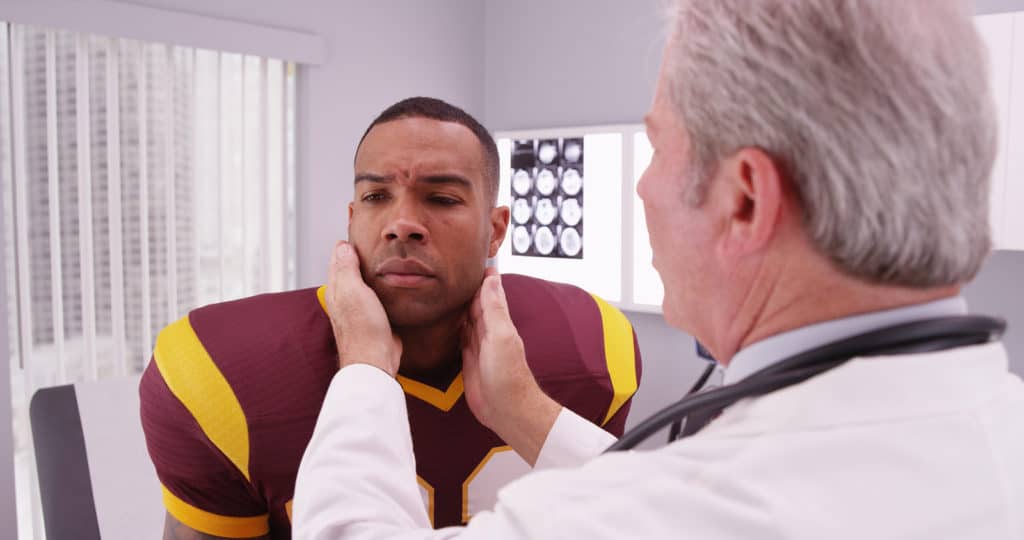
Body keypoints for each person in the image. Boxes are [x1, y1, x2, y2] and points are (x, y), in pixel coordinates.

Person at [292, 1, 1024, 538]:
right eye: (375, 194)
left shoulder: (691, 502)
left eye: (657, 150)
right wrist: (530, 417)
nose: (643, 188)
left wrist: (363, 371)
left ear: (743, 201)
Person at [139, 97, 642, 539]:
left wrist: (526, 408)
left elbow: (620, 519)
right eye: (377, 196)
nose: (402, 224)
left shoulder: (598, 343)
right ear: (352, 218)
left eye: (442, 198)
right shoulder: (210, 369)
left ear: (495, 230)